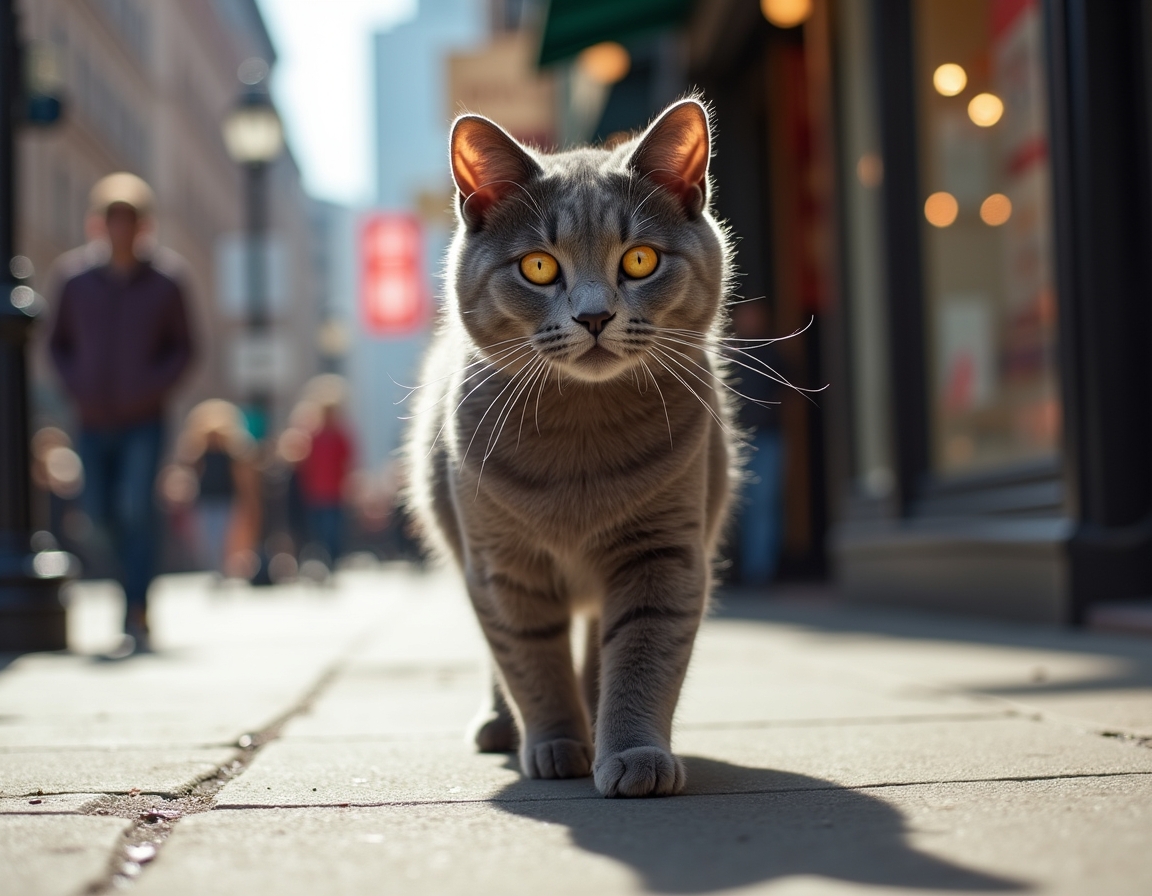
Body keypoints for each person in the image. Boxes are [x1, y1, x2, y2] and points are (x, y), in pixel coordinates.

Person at [48, 173, 194, 654]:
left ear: (142, 226)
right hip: (91, 418)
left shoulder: (167, 281)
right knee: (96, 516)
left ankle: (136, 607)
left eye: (129, 221)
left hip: (143, 419)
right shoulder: (74, 280)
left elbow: (185, 348)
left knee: (136, 506)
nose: (120, 230)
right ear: (98, 224)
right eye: (112, 220)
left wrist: (151, 387)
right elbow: (57, 345)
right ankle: (127, 594)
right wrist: (78, 387)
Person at [730, 300, 786, 587]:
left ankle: (759, 572)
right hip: (733, 441)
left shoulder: (772, 352)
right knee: (733, 506)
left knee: (764, 504)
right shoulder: (726, 354)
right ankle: (732, 569)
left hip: (766, 438)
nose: (750, 319)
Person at [296, 399, 355, 569]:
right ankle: (322, 561)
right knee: (318, 531)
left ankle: (333, 562)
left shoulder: (339, 436)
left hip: (334, 492)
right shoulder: (313, 436)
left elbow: (347, 462)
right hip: (315, 493)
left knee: (333, 530)